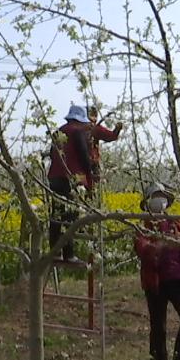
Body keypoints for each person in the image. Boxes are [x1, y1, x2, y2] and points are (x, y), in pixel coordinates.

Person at [133, 182, 180, 360]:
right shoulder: (143, 225)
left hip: (177, 279)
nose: (159, 200)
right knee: (158, 326)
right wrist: (161, 244)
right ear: (147, 202)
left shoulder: (174, 222)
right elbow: (142, 249)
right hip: (156, 282)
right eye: (155, 196)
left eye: (161, 195)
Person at [46, 105, 96, 262]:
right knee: (70, 217)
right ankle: (69, 254)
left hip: (54, 178)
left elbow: (53, 156)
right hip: (70, 178)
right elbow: (83, 156)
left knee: (56, 215)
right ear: (79, 120)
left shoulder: (58, 132)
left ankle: (55, 252)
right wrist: (89, 178)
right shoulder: (77, 132)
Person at [86, 106, 123, 187]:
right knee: (94, 187)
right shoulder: (95, 128)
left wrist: (117, 130)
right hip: (92, 163)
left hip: (78, 164)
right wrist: (117, 129)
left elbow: (111, 136)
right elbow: (111, 136)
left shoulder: (79, 127)